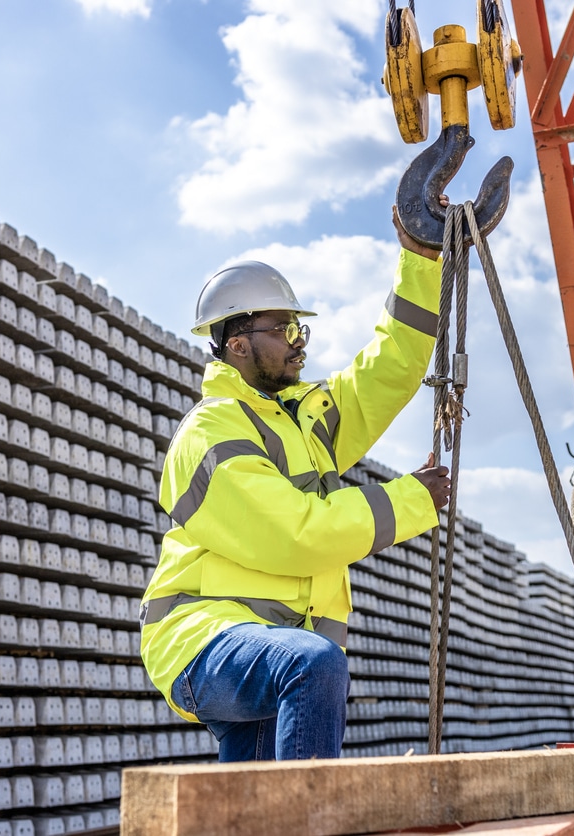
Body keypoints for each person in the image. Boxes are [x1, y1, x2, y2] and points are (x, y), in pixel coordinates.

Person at [138, 209, 452, 762]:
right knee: (312, 664)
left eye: (298, 328)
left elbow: (393, 368)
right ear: (236, 342)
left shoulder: (304, 424)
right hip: (202, 637)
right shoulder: (212, 432)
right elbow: (295, 534)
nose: (297, 341)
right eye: (283, 329)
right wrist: (410, 500)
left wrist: (421, 260)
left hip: (273, 639)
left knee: (252, 809)